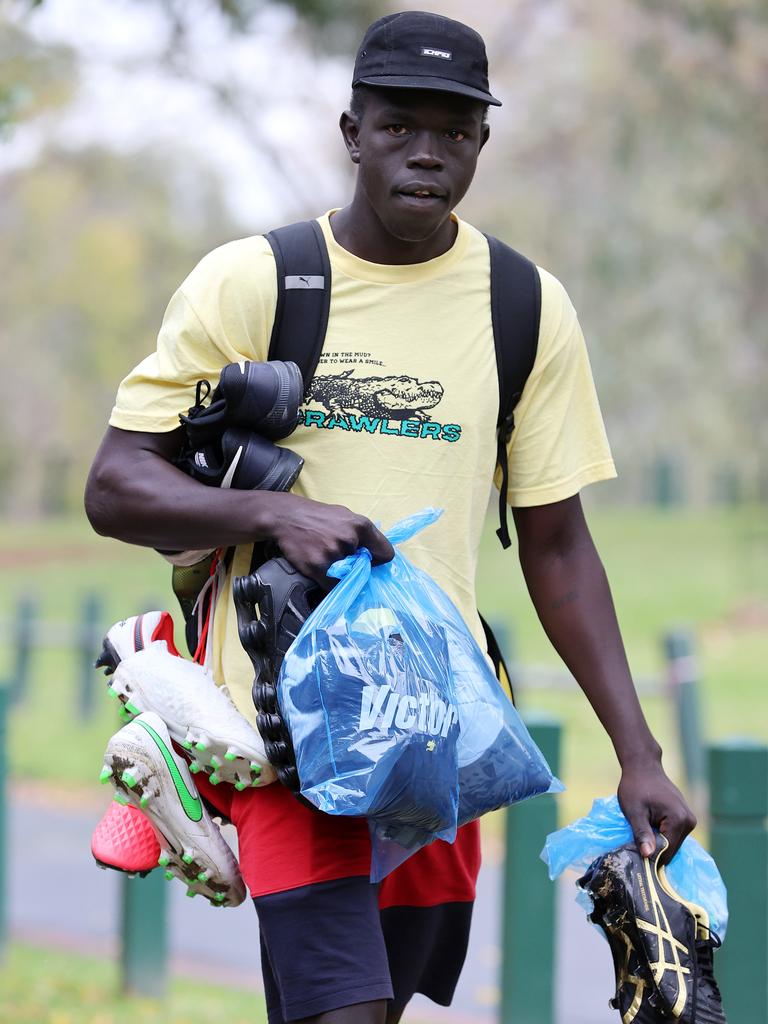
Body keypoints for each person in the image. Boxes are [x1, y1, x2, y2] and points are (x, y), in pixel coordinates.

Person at [85, 10, 696, 1023]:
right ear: (351, 131)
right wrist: (274, 516)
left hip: (432, 735)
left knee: (377, 1002)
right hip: (280, 730)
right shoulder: (259, 280)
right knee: (345, 1012)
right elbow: (114, 483)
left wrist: (639, 752)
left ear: (481, 144)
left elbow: (558, 544)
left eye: (454, 131)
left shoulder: (523, 307)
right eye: (400, 124)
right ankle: (179, 710)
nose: (428, 150)